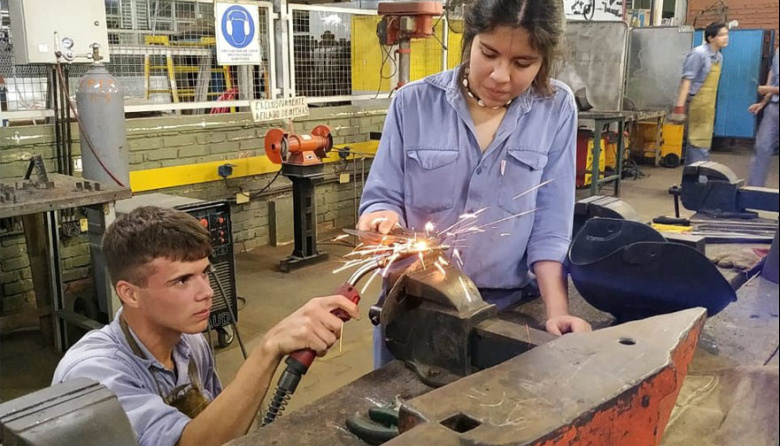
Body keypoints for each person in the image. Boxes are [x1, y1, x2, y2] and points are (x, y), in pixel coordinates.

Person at [358, 0, 592, 367]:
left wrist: (556, 312)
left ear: (544, 60)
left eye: (522, 63)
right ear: (470, 39)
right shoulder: (413, 103)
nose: (501, 75)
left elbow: (551, 224)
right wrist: (379, 218)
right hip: (416, 307)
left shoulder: (555, 108)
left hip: (508, 308)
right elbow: (381, 197)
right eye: (490, 53)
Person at [52, 206, 359, 446]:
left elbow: (221, 428)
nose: (207, 292)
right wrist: (269, 349)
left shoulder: (191, 343)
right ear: (129, 293)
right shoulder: (94, 376)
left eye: (204, 273)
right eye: (183, 280)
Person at [669, 22, 729, 165]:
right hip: (696, 103)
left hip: (708, 106)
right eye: (721, 35)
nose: (726, 38)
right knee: (697, 142)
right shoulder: (698, 54)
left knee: (703, 141)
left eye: (727, 34)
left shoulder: (719, 57)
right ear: (710, 38)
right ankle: (697, 180)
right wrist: (679, 107)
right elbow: (686, 81)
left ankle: (694, 180)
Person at [747, 47, 779, 187]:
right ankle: (754, 190)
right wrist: (763, 102)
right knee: (762, 147)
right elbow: (774, 77)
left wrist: (769, 89)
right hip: (774, 107)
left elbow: (771, 87)